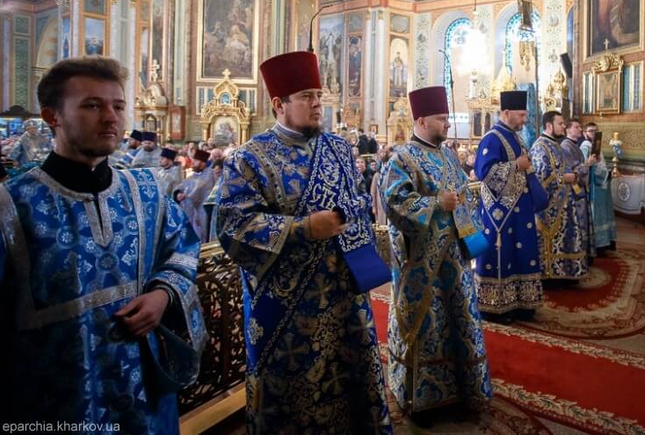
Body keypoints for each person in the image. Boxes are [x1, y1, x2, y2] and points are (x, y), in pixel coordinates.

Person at [0, 57, 206, 431]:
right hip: (55, 403)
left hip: (145, 395)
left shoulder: (147, 192)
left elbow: (182, 250)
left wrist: (162, 295)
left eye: (118, 106)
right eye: (92, 106)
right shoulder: (11, 206)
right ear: (52, 117)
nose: (111, 117)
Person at [216, 51, 392, 434]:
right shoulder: (249, 158)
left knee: (351, 385)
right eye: (306, 97)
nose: (317, 104)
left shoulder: (340, 149)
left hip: (345, 294)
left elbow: (359, 202)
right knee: (291, 396)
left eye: (318, 95)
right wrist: (304, 228)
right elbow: (233, 225)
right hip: (287, 305)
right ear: (279, 104)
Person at [380, 85, 491, 425]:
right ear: (423, 119)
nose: (447, 124)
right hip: (421, 266)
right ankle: (422, 399)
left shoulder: (447, 155)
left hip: (454, 261)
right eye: (442, 119)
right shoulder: (403, 158)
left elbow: (461, 197)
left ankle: (462, 391)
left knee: (458, 324)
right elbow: (394, 204)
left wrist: (468, 233)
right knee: (428, 328)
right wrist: (434, 204)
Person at [474, 90, 549, 322]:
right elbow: (485, 173)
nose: (525, 119)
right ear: (506, 113)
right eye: (521, 115)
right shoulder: (492, 138)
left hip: (520, 211)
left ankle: (522, 303)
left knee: (523, 253)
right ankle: (495, 307)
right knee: (502, 255)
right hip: (501, 214)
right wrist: (516, 165)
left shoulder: (516, 137)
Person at [530, 111, 589, 281]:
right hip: (549, 206)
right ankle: (550, 275)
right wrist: (564, 178)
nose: (564, 126)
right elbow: (540, 178)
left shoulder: (556, 145)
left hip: (565, 202)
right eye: (561, 123)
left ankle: (564, 272)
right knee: (551, 241)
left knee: (566, 239)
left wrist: (571, 176)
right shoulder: (540, 147)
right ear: (549, 125)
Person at [560, 118, 597, 258]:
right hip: (573, 193)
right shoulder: (566, 146)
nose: (580, 129)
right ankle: (578, 255)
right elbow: (570, 171)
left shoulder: (575, 145)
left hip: (581, 191)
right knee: (578, 223)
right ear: (568, 129)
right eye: (577, 127)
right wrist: (587, 164)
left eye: (580, 127)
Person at [175, 149, 216, 242]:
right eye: (193, 160)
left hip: (204, 212)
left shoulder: (210, 174)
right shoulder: (192, 176)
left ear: (203, 163)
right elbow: (181, 186)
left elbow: (201, 189)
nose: (192, 162)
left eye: (196, 161)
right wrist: (178, 194)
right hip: (190, 213)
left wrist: (188, 195)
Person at [588, 136, 617, 253]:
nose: (593, 133)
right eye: (590, 131)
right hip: (594, 189)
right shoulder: (586, 146)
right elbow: (590, 169)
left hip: (601, 189)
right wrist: (605, 174)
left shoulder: (597, 149)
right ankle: (599, 245)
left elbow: (599, 165)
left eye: (595, 131)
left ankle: (605, 243)